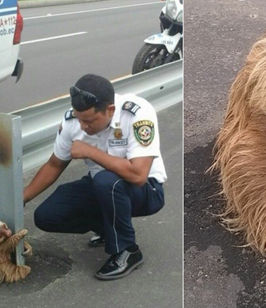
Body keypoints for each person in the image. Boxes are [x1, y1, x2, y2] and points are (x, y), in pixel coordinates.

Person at [23, 74, 166, 280]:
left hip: (146, 191)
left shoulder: (137, 114)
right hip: (103, 187)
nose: (82, 127)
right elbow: (54, 165)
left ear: (110, 110)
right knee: (46, 216)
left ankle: (127, 250)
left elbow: (138, 175)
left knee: (106, 181)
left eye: (89, 121)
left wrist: (90, 151)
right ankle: (107, 229)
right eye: (79, 119)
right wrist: (23, 197)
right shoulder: (73, 121)